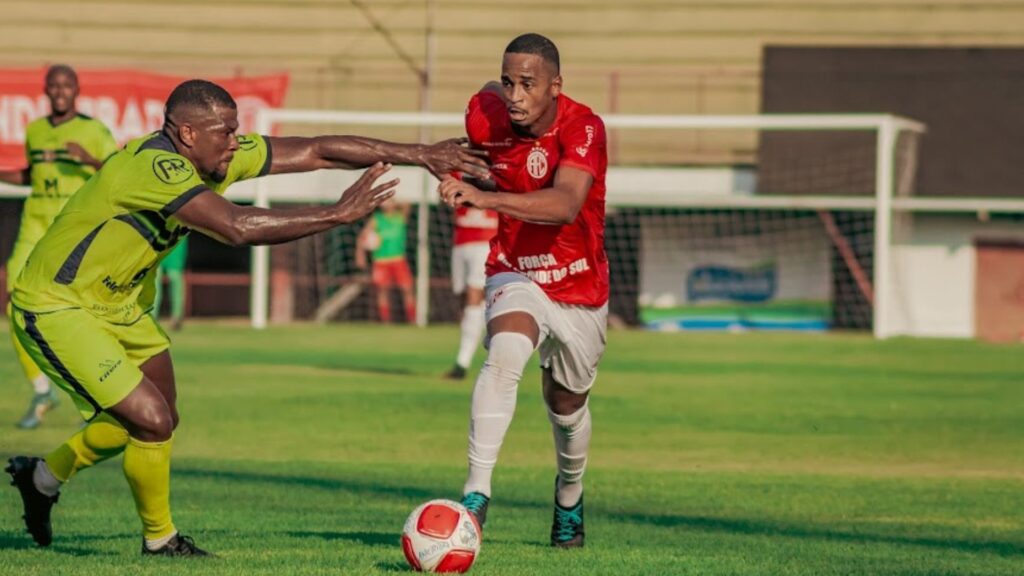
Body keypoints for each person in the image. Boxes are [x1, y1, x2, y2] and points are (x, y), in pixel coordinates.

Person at [4, 79, 489, 557]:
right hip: (57, 305)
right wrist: (336, 215)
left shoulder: (214, 153)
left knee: (158, 419)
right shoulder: (156, 166)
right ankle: (161, 541)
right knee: (149, 420)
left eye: (237, 130)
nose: (236, 141)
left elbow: (318, 150)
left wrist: (421, 153)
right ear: (188, 133)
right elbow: (235, 227)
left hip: (120, 306)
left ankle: (41, 478)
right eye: (226, 131)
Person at [438, 33, 609, 549]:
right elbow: (471, 150)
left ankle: (570, 495)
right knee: (507, 351)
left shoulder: (583, 127)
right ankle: (475, 496)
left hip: (579, 286)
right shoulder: (485, 114)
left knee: (566, 406)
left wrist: (487, 196)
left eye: (528, 84)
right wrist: (454, 175)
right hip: (515, 270)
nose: (514, 94)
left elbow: (564, 205)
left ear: (555, 86)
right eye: (509, 81)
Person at [0, 65, 120, 429]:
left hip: (71, 231)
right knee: (13, 305)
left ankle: (97, 390)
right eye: (54, 85)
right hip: (33, 227)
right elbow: (30, 175)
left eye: (67, 84)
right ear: (47, 90)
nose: (60, 90)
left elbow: (117, 174)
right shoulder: (36, 131)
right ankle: (41, 389)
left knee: (78, 311)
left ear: (77, 89)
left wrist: (89, 159)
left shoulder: (94, 131)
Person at [442, 204, 498, 380]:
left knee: (473, 297)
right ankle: (484, 339)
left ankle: (462, 363)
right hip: (461, 242)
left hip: (485, 239)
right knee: (464, 299)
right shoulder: (457, 175)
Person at [356, 198, 416, 323]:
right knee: (382, 291)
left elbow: (408, 201)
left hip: (399, 259)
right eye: (385, 201)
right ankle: (385, 321)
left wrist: (394, 200)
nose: (387, 204)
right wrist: (360, 255)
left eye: (390, 201)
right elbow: (362, 236)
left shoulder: (400, 216)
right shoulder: (377, 219)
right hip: (381, 260)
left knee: (407, 288)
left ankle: (412, 320)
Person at [152, 237, 188, 331]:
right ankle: (152, 316)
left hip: (177, 241)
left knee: (175, 278)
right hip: (160, 240)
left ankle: (177, 317)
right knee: (154, 280)